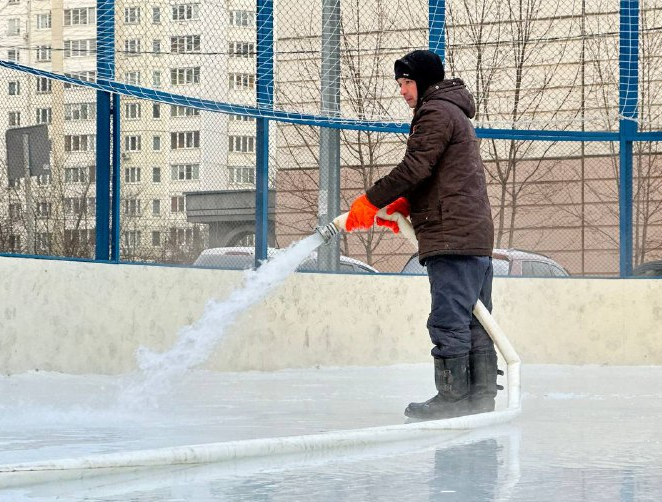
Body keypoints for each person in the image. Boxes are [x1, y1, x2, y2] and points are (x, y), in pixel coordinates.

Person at [344, 49, 500, 420]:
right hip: (471, 233)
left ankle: (452, 398)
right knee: (474, 319)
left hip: (451, 235)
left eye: (407, 82)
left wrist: (372, 199)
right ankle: (480, 399)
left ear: (426, 81)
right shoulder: (454, 113)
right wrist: (404, 205)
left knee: (448, 319)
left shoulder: (434, 112)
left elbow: (416, 166)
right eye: (399, 83)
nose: (402, 90)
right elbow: (437, 175)